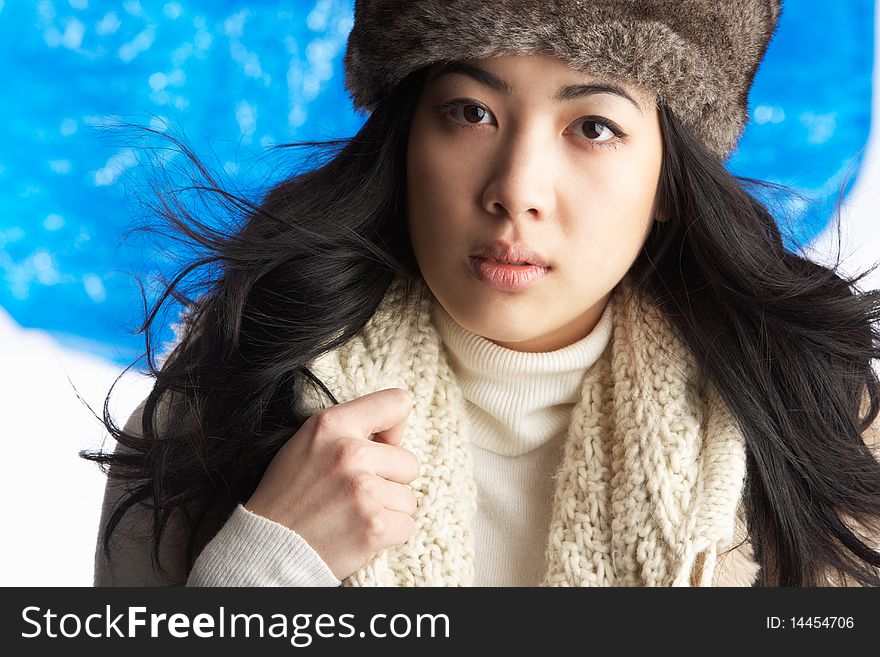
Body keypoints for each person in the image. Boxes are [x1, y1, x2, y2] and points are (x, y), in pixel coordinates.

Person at [84, 0, 880, 587]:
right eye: (469, 113)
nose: (516, 190)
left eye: (593, 127)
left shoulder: (811, 417)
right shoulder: (220, 398)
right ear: (407, 142)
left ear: (670, 178)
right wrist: (264, 567)